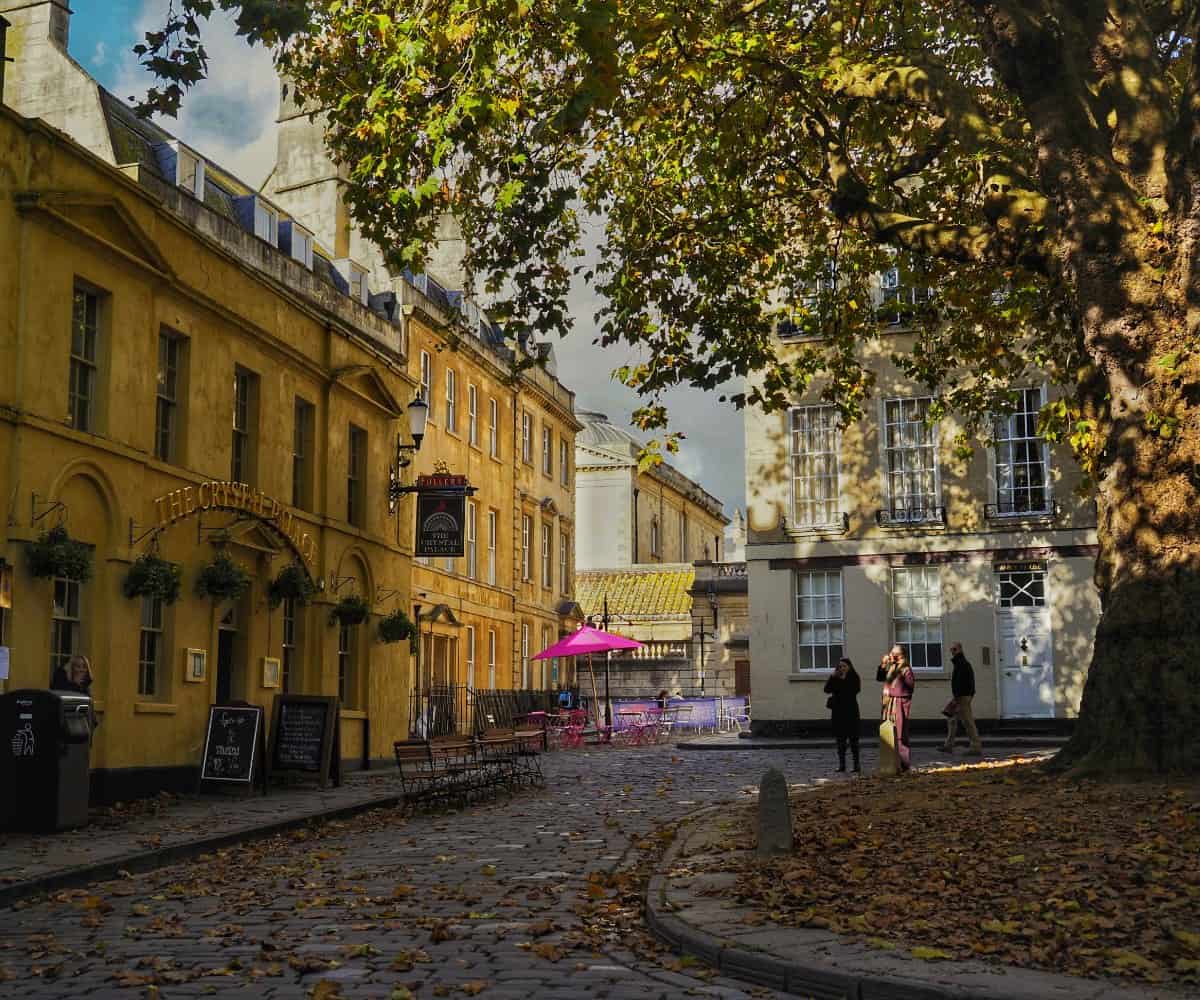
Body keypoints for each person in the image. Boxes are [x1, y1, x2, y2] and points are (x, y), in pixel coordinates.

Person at [877, 645, 915, 771]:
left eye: (893, 654)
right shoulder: (892, 667)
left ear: (901, 656)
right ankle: (892, 764)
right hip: (888, 705)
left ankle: (904, 765)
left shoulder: (906, 669)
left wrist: (891, 692)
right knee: (889, 734)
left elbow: (909, 689)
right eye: (891, 653)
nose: (890, 655)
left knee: (900, 735)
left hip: (899, 706)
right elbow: (879, 678)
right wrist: (883, 665)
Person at [942, 642, 983, 755]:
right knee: (952, 720)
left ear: (960, 649)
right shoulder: (959, 663)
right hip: (960, 696)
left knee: (967, 721)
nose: (952, 651)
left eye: (954, 649)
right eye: (951, 649)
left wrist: (959, 697)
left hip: (962, 697)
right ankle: (948, 745)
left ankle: (976, 747)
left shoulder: (962, 664)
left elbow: (964, 682)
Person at [824, 657, 861, 772]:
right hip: (838, 713)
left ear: (849, 667)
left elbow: (854, 690)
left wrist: (842, 682)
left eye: (844, 666)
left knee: (853, 740)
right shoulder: (835, 678)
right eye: (840, 666)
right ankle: (842, 765)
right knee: (840, 741)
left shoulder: (854, 678)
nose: (842, 668)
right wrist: (832, 677)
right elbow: (826, 690)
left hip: (851, 712)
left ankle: (856, 765)